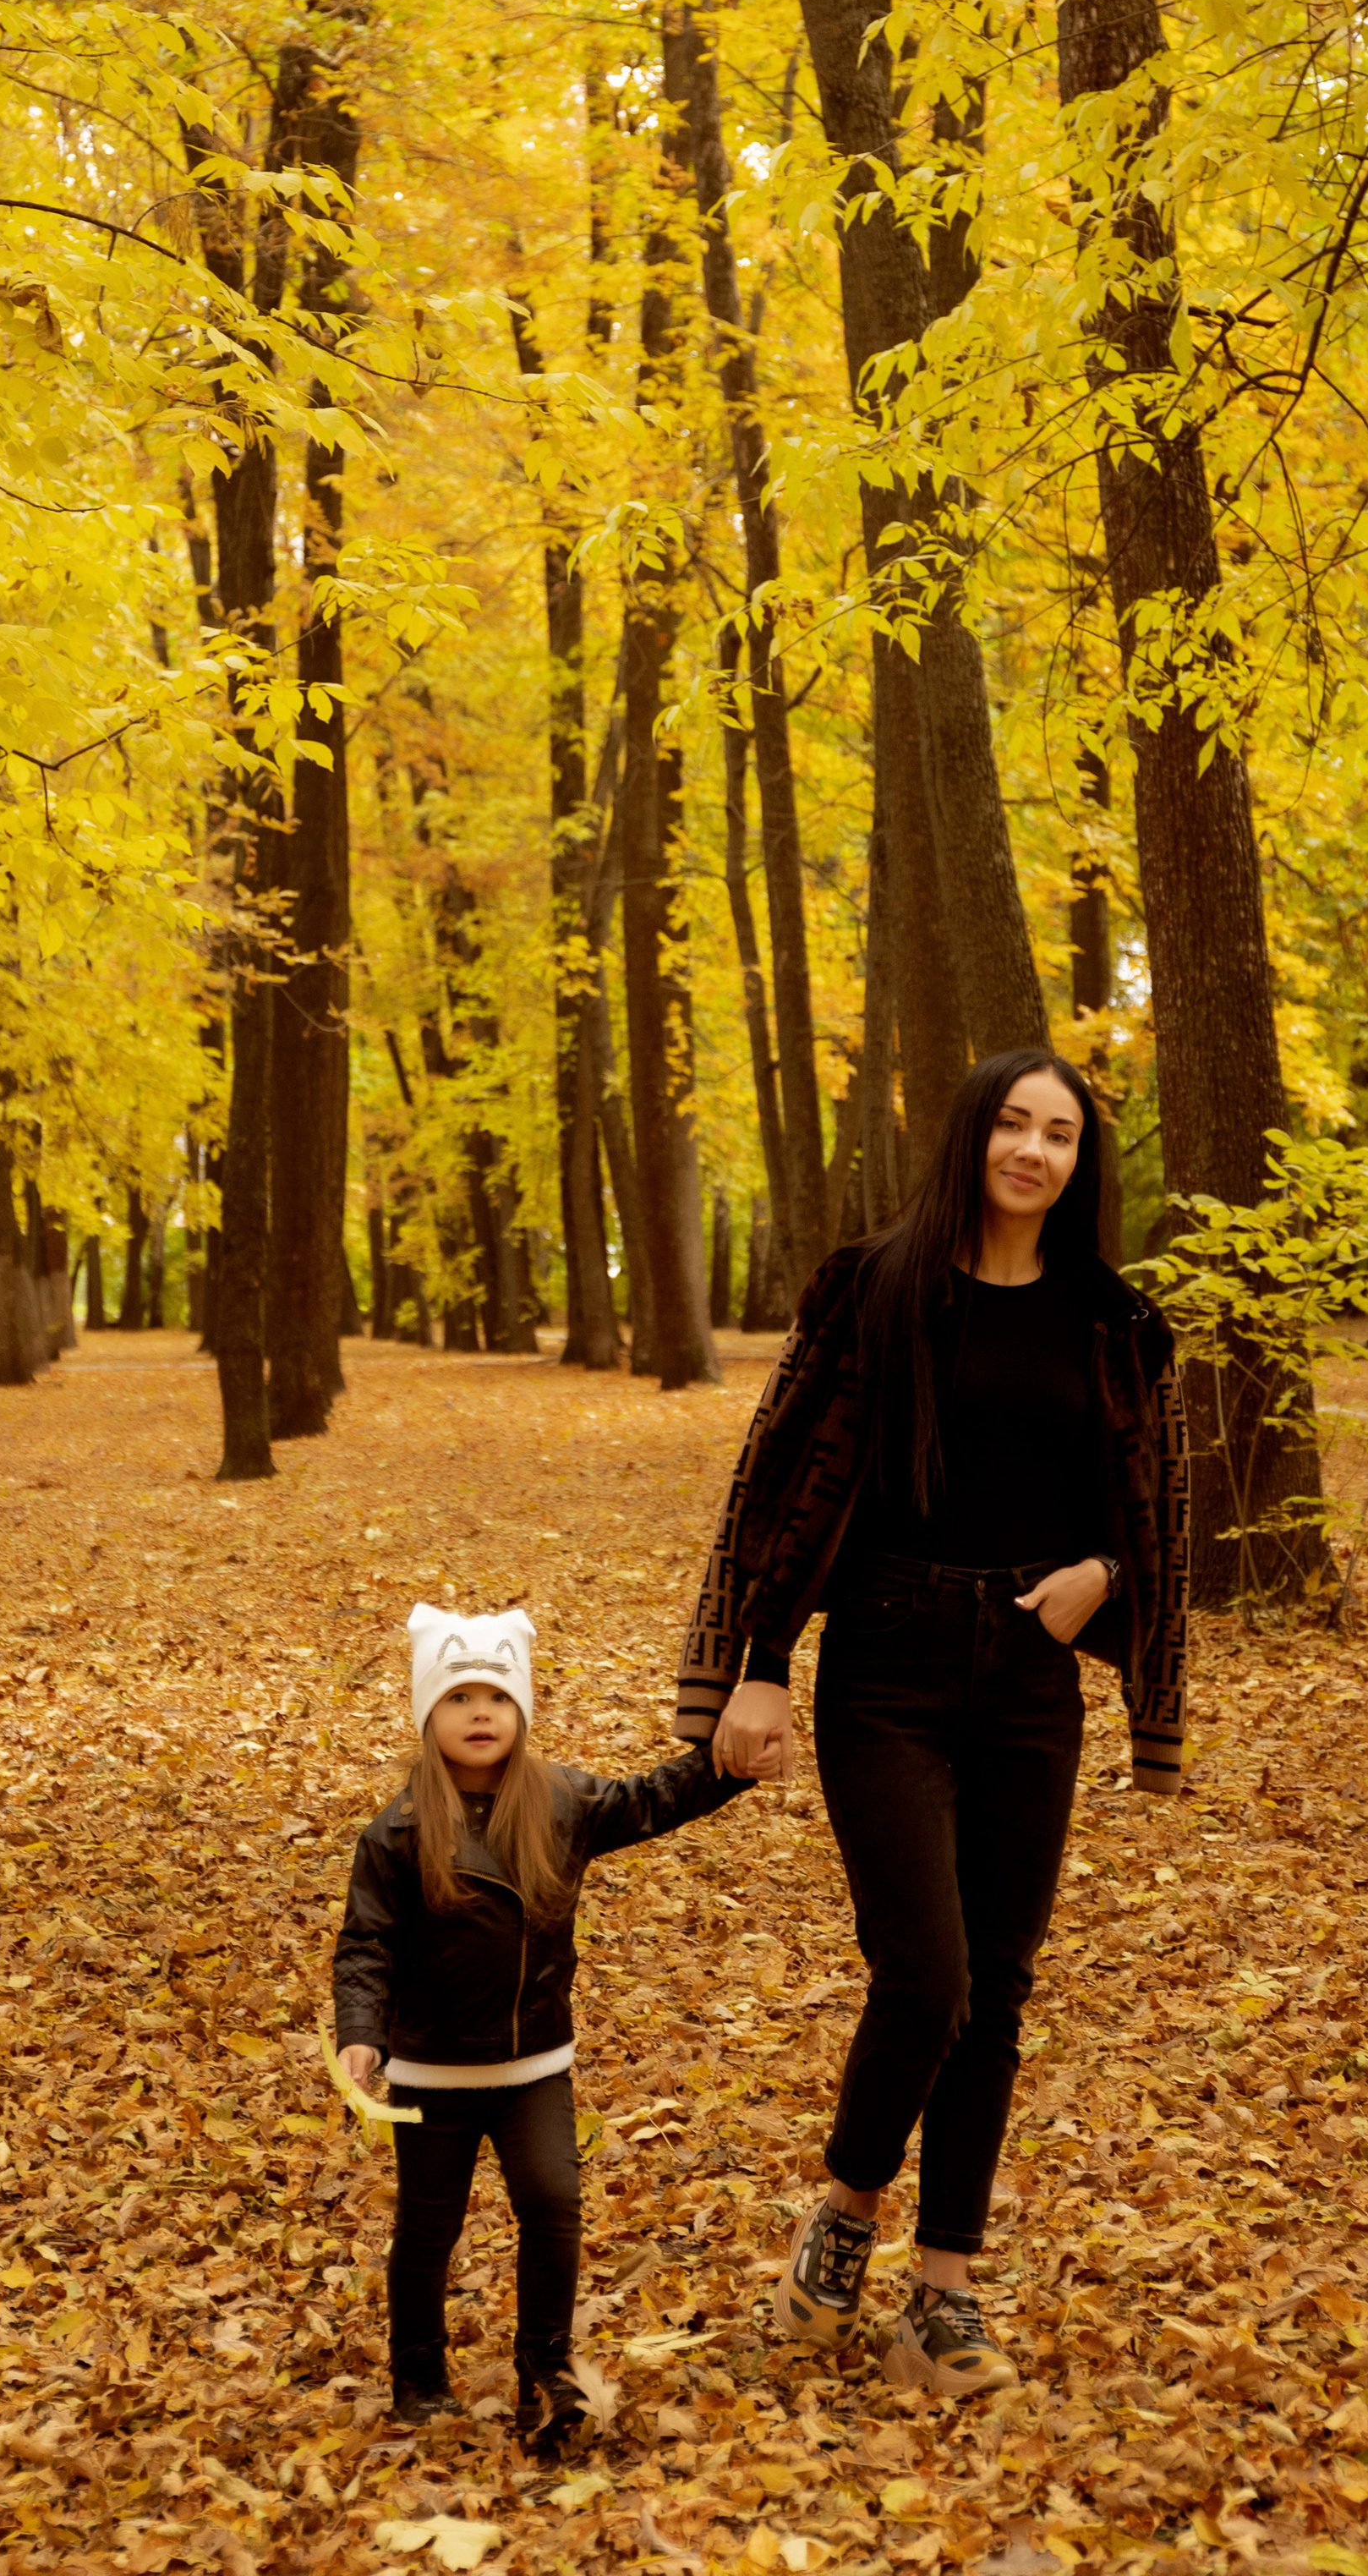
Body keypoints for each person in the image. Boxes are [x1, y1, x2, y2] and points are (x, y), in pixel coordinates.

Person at [675, 1050, 1190, 2398]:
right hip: (888, 1665)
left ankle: (943, 2292)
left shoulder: (1113, 1323)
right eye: (1013, 1124)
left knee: (1002, 1989)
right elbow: (781, 1477)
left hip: (1030, 1673)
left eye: (1061, 1134)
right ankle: (846, 2215)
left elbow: (1147, 1512)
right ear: (970, 1137)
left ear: (1083, 1163)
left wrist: (1109, 1584)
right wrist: (758, 1662)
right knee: (930, 1975)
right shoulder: (872, 1286)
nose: (1033, 1150)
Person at [335, 1602, 751, 2450]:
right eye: (457, 1698)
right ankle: (417, 2375)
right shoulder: (398, 1832)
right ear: (427, 1718)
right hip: (432, 2073)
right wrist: (361, 2031)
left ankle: (545, 2375)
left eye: (495, 1695)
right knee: (427, 2226)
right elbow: (365, 1943)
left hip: (532, 2067)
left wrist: (732, 1764)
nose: (478, 1712)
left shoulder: (563, 1803)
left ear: (520, 1710)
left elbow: (654, 1799)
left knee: (554, 2203)